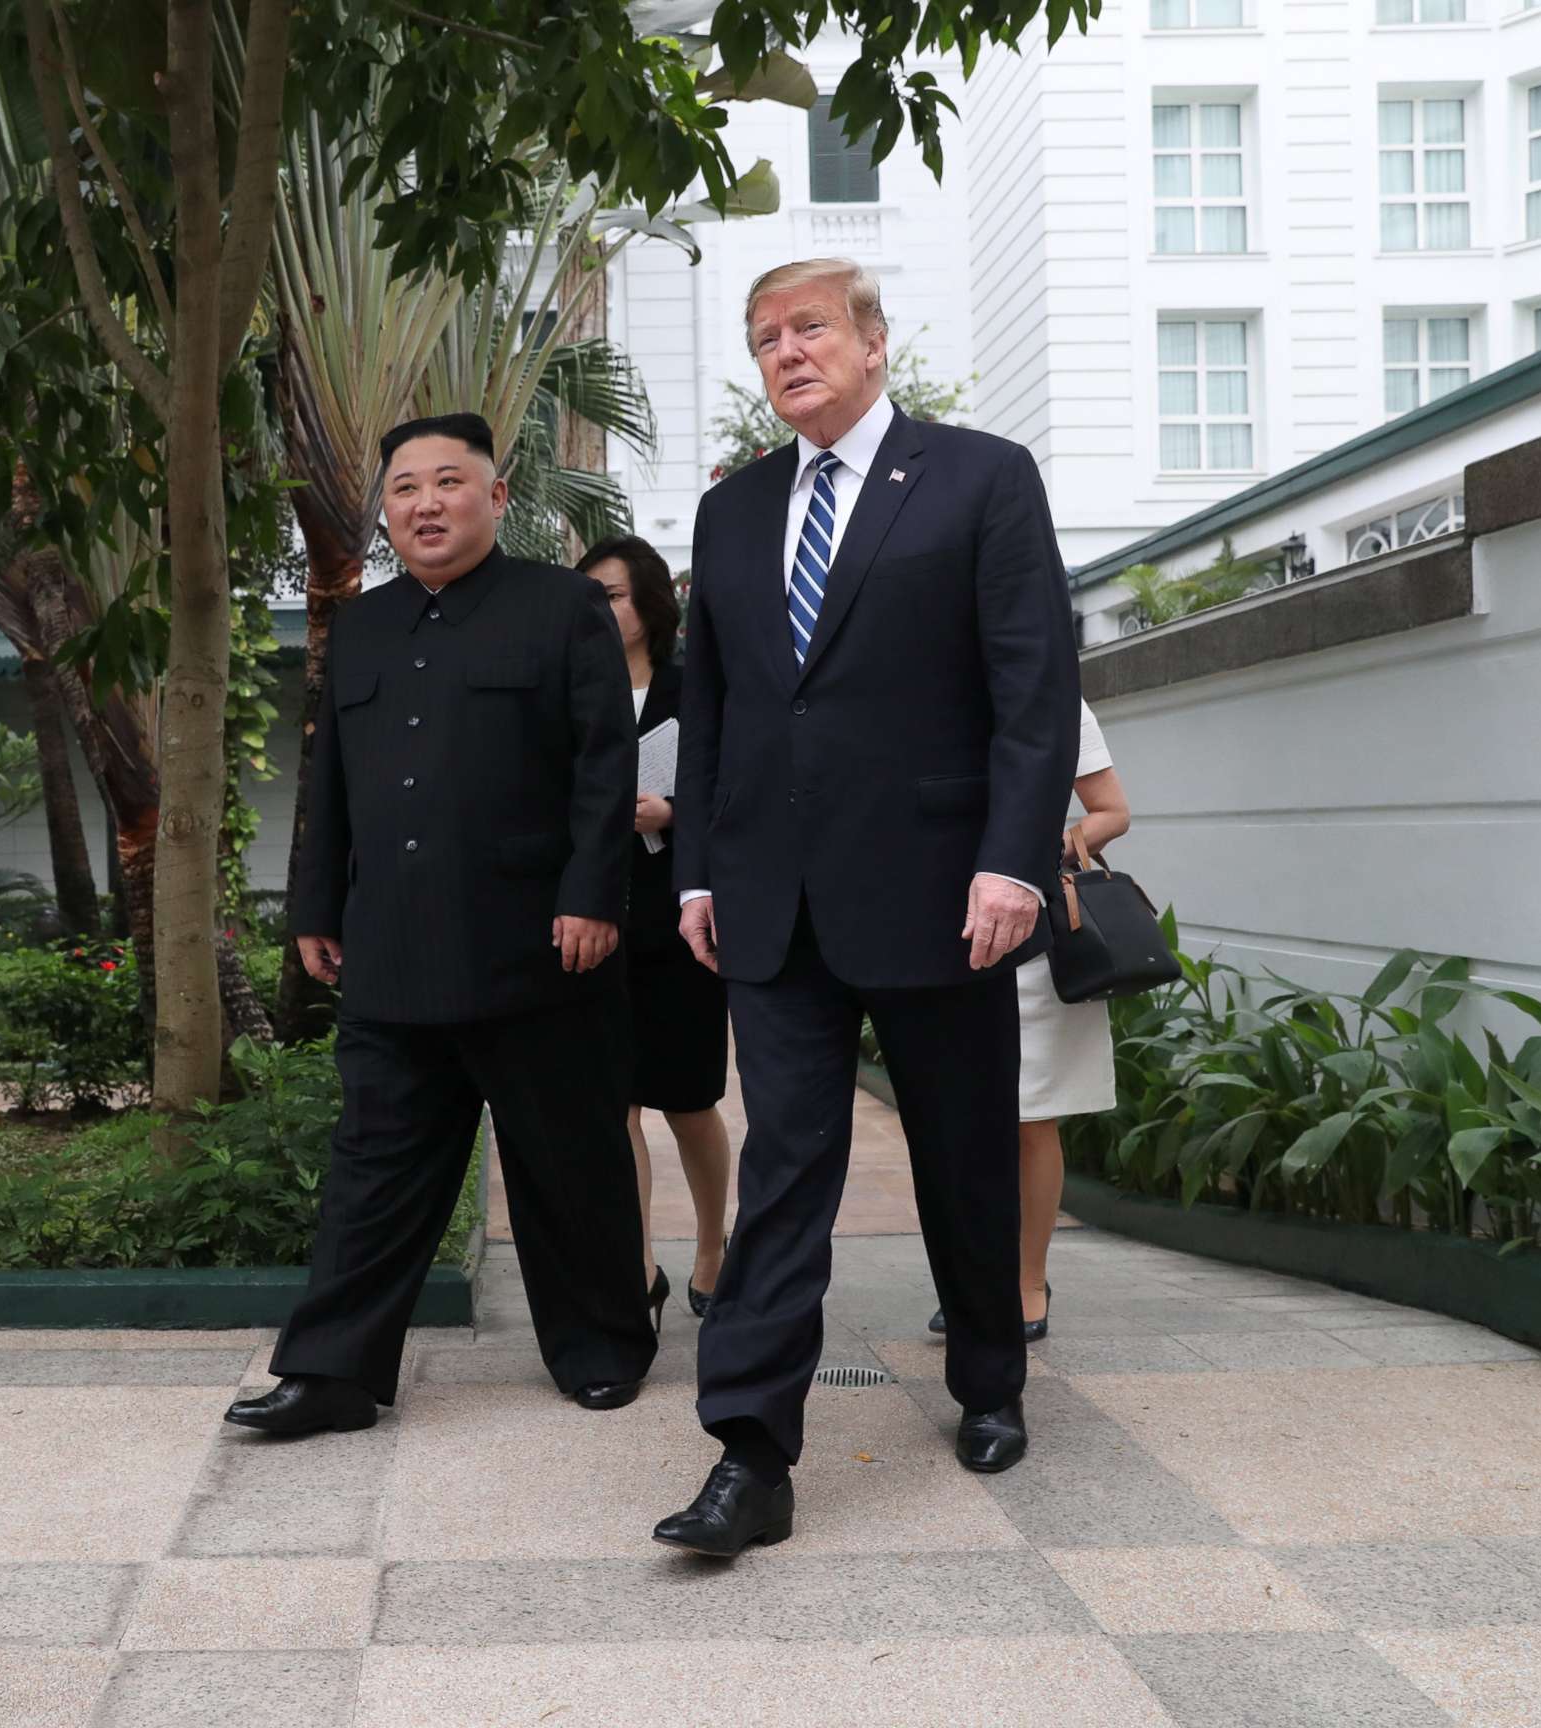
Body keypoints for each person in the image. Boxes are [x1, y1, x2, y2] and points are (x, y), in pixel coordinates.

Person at [653, 259, 1080, 1558]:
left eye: (811, 329)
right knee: (787, 1164)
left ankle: (991, 1381)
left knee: (961, 1155)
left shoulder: (980, 478)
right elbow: (713, 709)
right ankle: (751, 1451)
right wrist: (702, 872)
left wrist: (1012, 860)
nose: (787, 352)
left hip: (946, 892)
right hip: (775, 903)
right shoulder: (731, 515)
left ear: (875, 343)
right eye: (765, 337)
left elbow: (1034, 686)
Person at [227, 412, 660, 1439]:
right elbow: (330, 780)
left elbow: (607, 765)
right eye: (405, 487)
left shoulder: (561, 609)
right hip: (393, 950)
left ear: (496, 498)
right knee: (374, 1171)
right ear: (387, 509)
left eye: (449, 482)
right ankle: (330, 1372)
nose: (425, 502)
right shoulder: (364, 625)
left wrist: (593, 895)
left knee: (568, 1161)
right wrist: (318, 907)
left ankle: (602, 1348)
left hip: (543, 946)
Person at [927, 700, 1128, 1343]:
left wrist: (1051, 842)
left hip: (1031, 926)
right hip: (935, 928)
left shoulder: (1054, 697)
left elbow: (1112, 811)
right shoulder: (920, 678)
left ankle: (1027, 1280)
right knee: (954, 1124)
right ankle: (968, 1281)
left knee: (1030, 1117)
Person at [578, 534, 732, 1322]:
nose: (600, 609)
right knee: (617, 1105)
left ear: (648, 605)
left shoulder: (693, 688)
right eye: (590, 596)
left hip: (684, 918)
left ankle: (712, 1245)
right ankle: (637, 1265)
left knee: (690, 1099)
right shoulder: (571, 691)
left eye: (611, 594)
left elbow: (740, 790)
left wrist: (674, 813)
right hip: (597, 920)